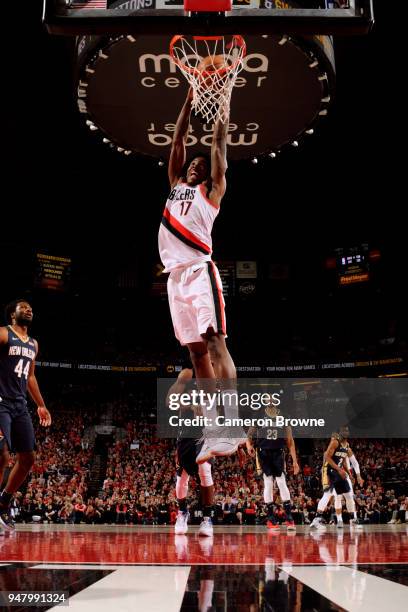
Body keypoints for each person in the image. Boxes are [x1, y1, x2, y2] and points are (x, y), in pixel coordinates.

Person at [158, 88, 245, 463]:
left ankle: (234, 424)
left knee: (214, 344)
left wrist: (221, 111)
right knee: (196, 356)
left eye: (200, 164)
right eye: (190, 164)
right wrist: (189, 101)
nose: (194, 165)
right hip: (174, 278)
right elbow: (177, 139)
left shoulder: (212, 191)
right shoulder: (176, 186)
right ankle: (213, 431)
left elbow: (218, 147)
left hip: (199, 270)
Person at [0, 299, 52, 531]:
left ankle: (3, 503)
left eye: (31, 307)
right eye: (23, 307)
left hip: (20, 404)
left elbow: (30, 376)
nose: (29, 309)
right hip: (0, 402)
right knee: (2, 457)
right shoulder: (3, 334)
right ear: (13, 314)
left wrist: (40, 404)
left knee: (28, 458)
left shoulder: (33, 343)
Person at [168, 367, 215, 537]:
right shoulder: (187, 377)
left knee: (205, 470)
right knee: (182, 478)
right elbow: (169, 402)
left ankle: (207, 518)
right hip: (186, 436)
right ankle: (182, 513)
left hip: (204, 435)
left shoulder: (211, 380)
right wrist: (189, 405)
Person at [246, 399, 299, 531]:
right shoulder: (259, 415)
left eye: (272, 397)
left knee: (282, 482)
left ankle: (289, 517)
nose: (270, 400)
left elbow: (290, 440)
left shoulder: (284, 416)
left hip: (278, 452)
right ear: (265, 401)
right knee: (268, 483)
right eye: (267, 397)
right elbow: (249, 435)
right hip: (263, 452)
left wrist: (295, 461)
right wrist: (248, 446)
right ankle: (270, 518)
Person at [310, 427, 364, 529]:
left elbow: (343, 461)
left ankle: (353, 520)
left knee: (348, 495)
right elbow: (327, 457)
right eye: (343, 431)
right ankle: (316, 520)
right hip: (329, 470)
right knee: (327, 494)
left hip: (338, 472)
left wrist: (350, 474)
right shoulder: (335, 442)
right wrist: (339, 470)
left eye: (347, 431)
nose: (345, 433)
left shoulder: (347, 447)